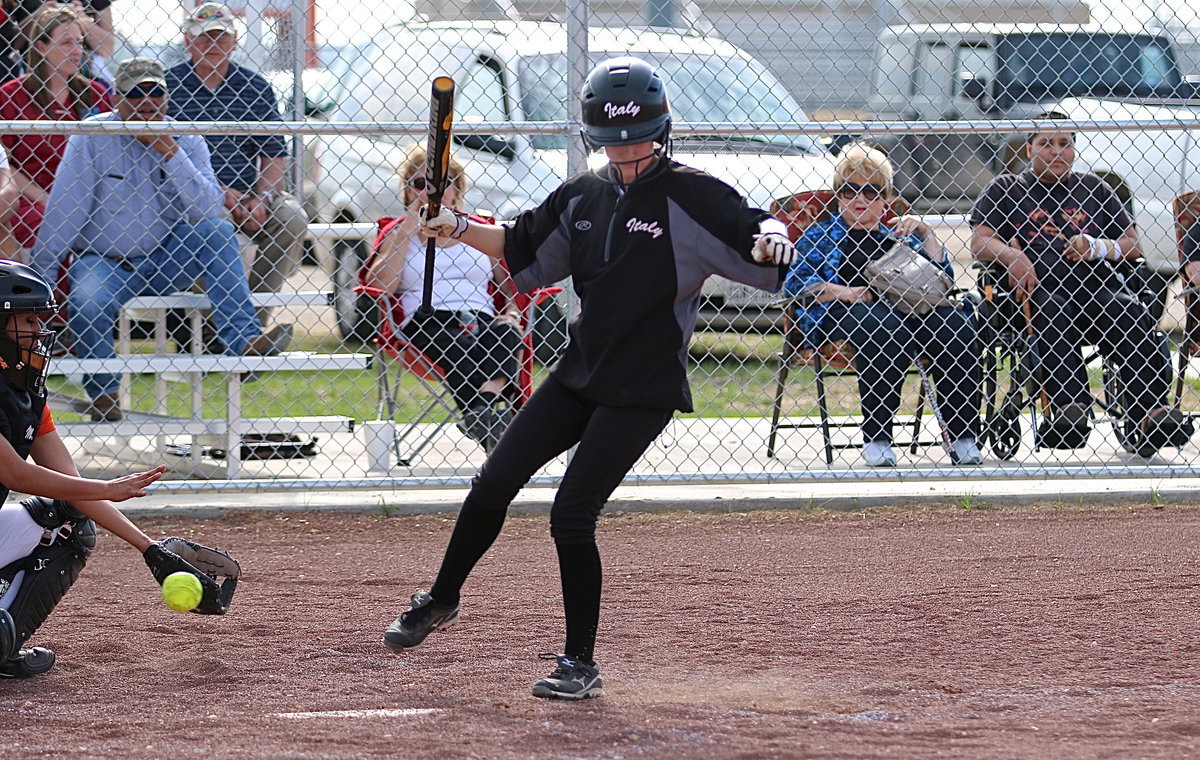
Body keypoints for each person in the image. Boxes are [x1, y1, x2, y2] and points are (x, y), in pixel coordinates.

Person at [380, 56, 797, 700]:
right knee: (493, 481)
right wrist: (456, 228)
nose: (626, 153)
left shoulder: (691, 192)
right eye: (611, 142)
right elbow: (520, 241)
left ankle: (581, 663)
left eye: (638, 139)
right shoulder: (582, 195)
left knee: (571, 514)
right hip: (580, 371)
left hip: (642, 387)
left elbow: (755, 226)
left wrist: (773, 238)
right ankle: (441, 598)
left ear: (663, 132)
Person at [0, 259, 240, 679]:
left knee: (70, 519)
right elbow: (15, 475)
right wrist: (107, 487)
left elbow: (71, 487)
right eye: (27, 320)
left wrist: (151, 550)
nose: (39, 332)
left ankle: (5, 646)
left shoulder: (24, 392)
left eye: (40, 320)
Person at [29, 56, 290, 423]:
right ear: (118, 99)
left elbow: (207, 208)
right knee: (86, 301)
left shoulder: (185, 136)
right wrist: (40, 280)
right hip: (104, 260)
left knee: (216, 232)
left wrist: (170, 152)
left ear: (167, 97)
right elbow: (65, 211)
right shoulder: (92, 135)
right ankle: (103, 394)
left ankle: (243, 345)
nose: (148, 102)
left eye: (156, 93)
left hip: (167, 257)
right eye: (137, 94)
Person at [970, 111, 1193, 454]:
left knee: (1128, 310)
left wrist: (1098, 247)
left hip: (1096, 288)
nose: (1055, 151)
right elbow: (980, 241)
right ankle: (1068, 410)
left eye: (1065, 144)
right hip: (1037, 295)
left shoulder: (1096, 188)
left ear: (1074, 149)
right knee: (1053, 309)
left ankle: (1150, 412)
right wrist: (1012, 257)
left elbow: (1132, 244)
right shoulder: (1005, 189)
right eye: (1045, 144)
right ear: (1029, 150)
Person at [783, 143, 981, 467]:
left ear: (886, 198)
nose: (860, 199)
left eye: (872, 191)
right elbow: (793, 283)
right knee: (880, 325)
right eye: (850, 191)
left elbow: (941, 281)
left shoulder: (899, 235)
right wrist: (841, 291)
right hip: (845, 313)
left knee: (954, 324)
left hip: (911, 311)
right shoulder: (820, 235)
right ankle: (877, 438)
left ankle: (963, 436)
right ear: (838, 196)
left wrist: (926, 232)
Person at [363, 144, 523, 451]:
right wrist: (406, 232)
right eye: (421, 184)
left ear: (456, 190)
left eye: (442, 184)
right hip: (425, 323)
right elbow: (379, 287)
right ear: (409, 192)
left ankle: (481, 410)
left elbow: (509, 284)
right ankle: (487, 416)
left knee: (506, 333)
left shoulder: (477, 230)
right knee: (459, 343)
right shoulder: (397, 233)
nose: (431, 192)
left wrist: (513, 312)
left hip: (482, 320)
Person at [166, 2, 306, 338]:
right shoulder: (168, 86)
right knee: (217, 225)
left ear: (235, 39)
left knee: (293, 218)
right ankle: (231, 330)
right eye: (203, 38)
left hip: (248, 196)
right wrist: (222, 195)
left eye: (221, 37)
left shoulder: (254, 86)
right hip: (188, 197)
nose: (212, 45)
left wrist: (264, 197)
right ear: (187, 41)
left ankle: (252, 321)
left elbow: (273, 155)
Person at [0, 6, 113, 260]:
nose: (77, 51)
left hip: (90, 196)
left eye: (79, 43)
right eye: (66, 43)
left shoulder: (96, 94)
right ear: (40, 47)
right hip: (33, 196)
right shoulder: (11, 95)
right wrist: (48, 200)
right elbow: (5, 164)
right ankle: (43, 297)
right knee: (42, 223)